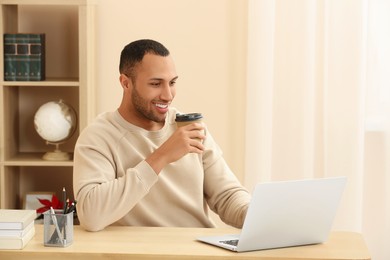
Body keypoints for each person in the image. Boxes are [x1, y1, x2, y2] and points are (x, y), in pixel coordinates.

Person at [73, 39, 251, 232]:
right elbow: (91, 215)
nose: (168, 95)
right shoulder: (99, 136)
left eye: (172, 83)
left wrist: (256, 214)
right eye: (156, 84)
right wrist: (162, 156)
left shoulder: (189, 127)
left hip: (196, 250)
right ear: (125, 83)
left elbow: (227, 196)